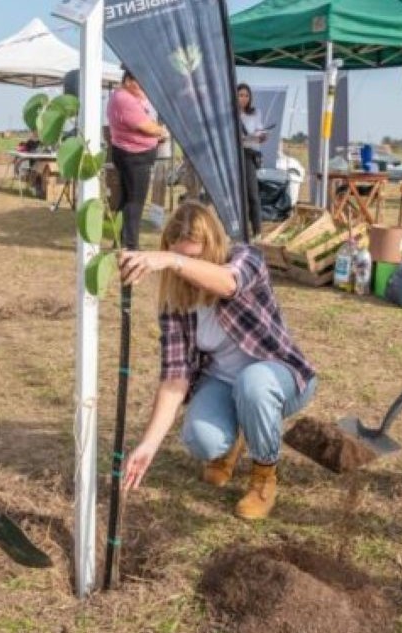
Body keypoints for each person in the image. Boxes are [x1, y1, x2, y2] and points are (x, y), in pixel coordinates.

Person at [119, 202, 319, 520]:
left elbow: (229, 284)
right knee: (202, 440)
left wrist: (172, 260)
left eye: (193, 258)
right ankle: (233, 440)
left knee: (253, 384)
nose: (185, 270)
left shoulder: (247, 258)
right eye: (179, 256)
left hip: (281, 379)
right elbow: (174, 379)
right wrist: (148, 446)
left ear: (213, 247)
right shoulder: (176, 303)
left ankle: (264, 475)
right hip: (223, 382)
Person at [107, 68, 169, 249]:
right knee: (135, 202)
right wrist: (162, 131)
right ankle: (130, 245)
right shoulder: (124, 99)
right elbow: (146, 126)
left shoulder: (125, 97)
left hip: (132, 154)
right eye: (140, 82)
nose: (143, 87)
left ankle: (121, 241)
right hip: (134, 157)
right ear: (128, 81)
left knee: (127, 200)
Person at [237, 83, 267, 238]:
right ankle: (239, 231)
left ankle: (257, 232)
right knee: (238, 195)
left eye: (246, 95)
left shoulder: (255, 113)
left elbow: (260, 131)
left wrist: (262, 136)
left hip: (249, 154)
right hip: (235, 155)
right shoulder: (230, 115)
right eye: (240, 95)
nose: (244, 98)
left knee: (253, 194)